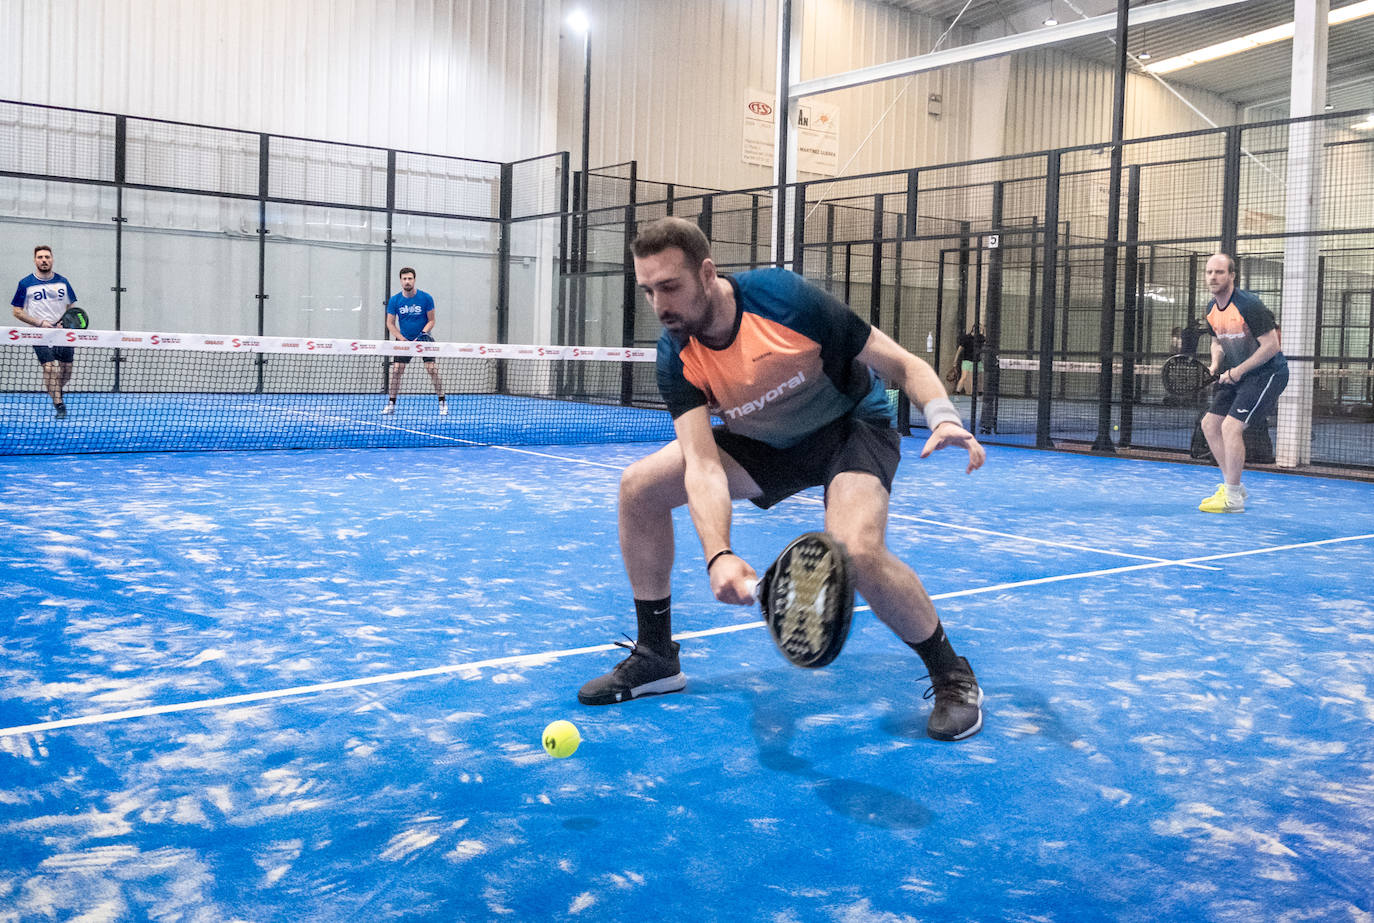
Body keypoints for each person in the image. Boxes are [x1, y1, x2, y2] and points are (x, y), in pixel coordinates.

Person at [577, 217, 988, 742]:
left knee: (857, 551)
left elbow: (902, 363)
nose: (660, 305)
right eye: (649, 291)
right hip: (766, 444)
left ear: (707, 273)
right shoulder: (675, 353)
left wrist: (943, 416)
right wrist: (718, 553)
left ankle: (952, 673)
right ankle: (657, 655)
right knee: (639, 488)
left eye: (670, 286)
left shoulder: (783, 299)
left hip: (848, 429)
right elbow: (702, 464)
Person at [1197, 253, 1288, 513]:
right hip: (1238, 374)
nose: (1213, 277)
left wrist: (1236, 372)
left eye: (1220, 272)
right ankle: (1231, 485)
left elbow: (1271, 347)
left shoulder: (1249, 305)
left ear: (1232, 276)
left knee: (1230, 427)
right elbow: (1217, 341)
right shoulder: (1211, 308)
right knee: (1209, 424)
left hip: (1268, 373)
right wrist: (1216, 365)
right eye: (1209, 272)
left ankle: (1233, 499)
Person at [10, 245, 79, 419]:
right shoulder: (25, 283)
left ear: (52, 259)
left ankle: (55, 391)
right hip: (38, 333)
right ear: (35, 260)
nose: (44, 260)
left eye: (47, 257)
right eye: (40, 257)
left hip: (62, 334)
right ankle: (59, 405)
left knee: (66, 371)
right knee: (49, 369)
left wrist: (66, 322)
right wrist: (40, 323)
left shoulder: (63, 281)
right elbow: (17, 311)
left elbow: (72, 306)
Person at [382, 267, 447, 415]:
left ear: (414, 280)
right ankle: (391, 404)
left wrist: (423, 334)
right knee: (397, 370)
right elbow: (390, 324)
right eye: (404, 279)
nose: (407, 281)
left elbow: (431, 320)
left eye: (410, 278)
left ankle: (442, 402)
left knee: (432, 369)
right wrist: (401, 338)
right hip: (403, 340)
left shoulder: (426, 298)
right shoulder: (395, 300)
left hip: (424, 340)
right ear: (400, 281)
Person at [953, 324, 985, 395]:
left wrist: (982, 332)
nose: (979, 330)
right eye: (978, 328)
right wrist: (955, 361)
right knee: (964, 377)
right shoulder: (966, 338)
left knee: (980, 377)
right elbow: (959, 350)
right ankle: (957, 392)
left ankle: (980, 393)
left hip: (977, 361)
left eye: (980, 329)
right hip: (967, 360)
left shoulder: (981, 338)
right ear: (973, 329)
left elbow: (984, 340)